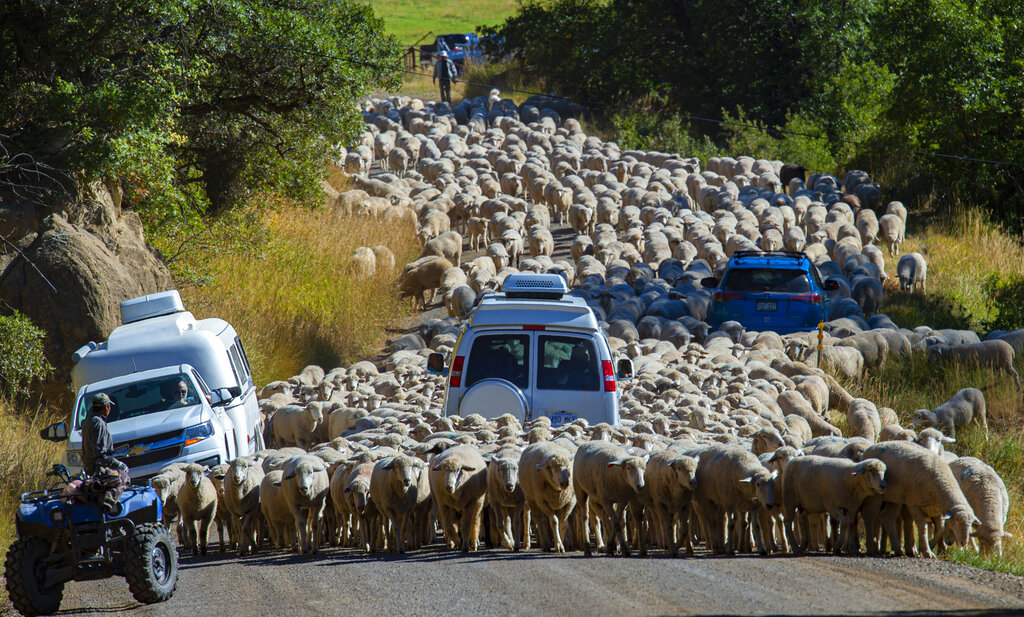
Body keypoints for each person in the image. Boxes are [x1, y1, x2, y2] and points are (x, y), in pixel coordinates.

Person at [81, 393, 129, 512]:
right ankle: (107, 504)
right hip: (98, 470)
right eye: (109, 406)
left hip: (88, 468)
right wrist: (118, 465)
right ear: (106, 407)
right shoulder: (99, 424)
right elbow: (100, 456)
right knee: (124, 477)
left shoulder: (88, 421)